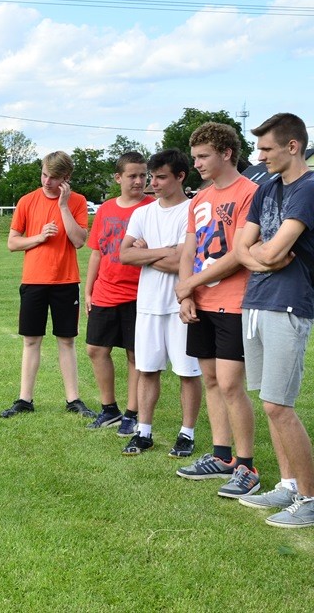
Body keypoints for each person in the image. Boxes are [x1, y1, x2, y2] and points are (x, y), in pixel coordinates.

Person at [234, 113, 314, 527]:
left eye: (266, 149)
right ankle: (287, 485)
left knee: (278, 405)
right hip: (257, 301)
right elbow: (243, 247)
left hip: (289, 304)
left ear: (293, 146)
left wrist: (259, 256)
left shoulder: (309, 188)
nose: (259, 156)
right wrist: (261, 260)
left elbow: (274, 247)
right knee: (270, 404)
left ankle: (310, 496)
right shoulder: (266, 190)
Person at [174, 122, 260, 498]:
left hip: (235, 302)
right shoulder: (198, 199)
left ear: (226, 153)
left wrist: (189, 284)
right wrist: (187, 294)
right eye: (194, 157)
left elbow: (240, 254)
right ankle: (221, 456)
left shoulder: (251, 193)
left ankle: (246, 466)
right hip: (201, 303)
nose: (197, 164)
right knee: (209, 379)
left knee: (230, 383)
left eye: (204, 156)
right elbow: (189, 251)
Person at [118, 149, 202, 456]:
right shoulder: (142, 213)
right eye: (151, 176)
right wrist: (164, 252)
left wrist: (148, 254)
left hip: (181, 303)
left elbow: (184, 261)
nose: (152, 183)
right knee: (147, 369)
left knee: (187, 371)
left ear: (180, 177)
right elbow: (124, 254)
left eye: (161, 177)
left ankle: (187, 433)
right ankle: (144, 431)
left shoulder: (192, 210)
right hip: (149, 304)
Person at [1, 151, 95, 419]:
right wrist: (39, 238)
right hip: (33, 281)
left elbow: (78, 241)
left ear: (66, 178)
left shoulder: (77, 202)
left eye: (53, 178)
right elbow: (12, 243)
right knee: (31, 341)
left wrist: (64, 206)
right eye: (44, 174)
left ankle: (73, 399)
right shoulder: (27, 201)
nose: (47, 181)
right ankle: (24, 399)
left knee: (66, 340)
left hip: (66, 281)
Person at [84, 152, 152, 434]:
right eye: (132, 175)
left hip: (140, 293)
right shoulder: (106, 209)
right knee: (96, 349)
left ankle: (131, 414)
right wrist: (88, 290)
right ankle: (109, 409)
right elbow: (97, 253)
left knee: (136, 356)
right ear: (118, 178)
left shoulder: (153, 207)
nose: (139, 181)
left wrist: (147, 248)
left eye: (142, 175)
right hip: (105, 291)